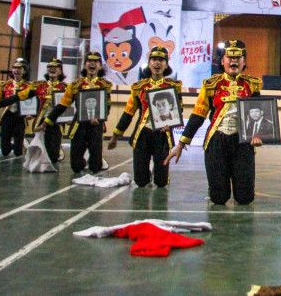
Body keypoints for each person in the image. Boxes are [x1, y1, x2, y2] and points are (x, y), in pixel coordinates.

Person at [165, 40, 262, 205]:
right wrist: (181, 144)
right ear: (222, 61)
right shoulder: (211, 85)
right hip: (217, 141)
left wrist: (258, 135)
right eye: (229, 57)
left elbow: (258, 114)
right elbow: (198, 115)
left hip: (243, 142)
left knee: (245, 198)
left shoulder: (252, 85)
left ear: (244, 61)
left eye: (238, 57)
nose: (233, 61)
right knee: (219, 198)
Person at [108, 46, 182, 188]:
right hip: (142, 135)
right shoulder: (139, 87)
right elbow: (128, 113)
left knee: (161, 183)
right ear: (149, 63)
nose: (157, 63)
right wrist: (115, 136)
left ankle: (158, 172)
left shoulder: (174, 87)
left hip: (162, 135)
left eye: (161, 60)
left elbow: (178, 111)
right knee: (140, 182)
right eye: (154, 59)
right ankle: (144, 172)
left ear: (166, 64)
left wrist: (171, 125)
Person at [42, 52, 113, 173]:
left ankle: (95, 164)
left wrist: (99, 118)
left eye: (96, 61)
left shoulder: (105, 85)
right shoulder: (75, 85)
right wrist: (48, 121)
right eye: (89, 61)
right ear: (85, 65)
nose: (92, 63)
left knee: (96, 165)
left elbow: (107, 106)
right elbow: (62, 105)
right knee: (75, 165)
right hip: (78, 124)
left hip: (96, 125)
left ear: (100, 66)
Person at [0, 59, 35, 156]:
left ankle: (20, 146)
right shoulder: (5, 85)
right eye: (14, 67)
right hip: (7, 115)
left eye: (19, 68)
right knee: (5, 149)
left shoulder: (29, 86)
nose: (16, 70)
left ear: (24, 71)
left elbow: (33, 102)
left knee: (18, 150)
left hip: (20, 117)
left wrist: (30, 113)